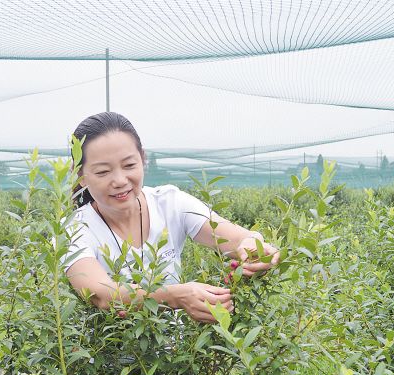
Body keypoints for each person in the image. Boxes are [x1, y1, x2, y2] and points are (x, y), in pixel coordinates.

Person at [65, 111, 280, 323]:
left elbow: (234, 237)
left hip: (177, 356)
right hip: (109, 357)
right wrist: (176, 296)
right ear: (80, 176)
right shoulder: (74, 231)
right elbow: (102, 295)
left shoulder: (170, 203)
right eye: (103, 172)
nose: (120, 180)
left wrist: (253, 246)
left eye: (129, 165)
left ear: (143, 159)